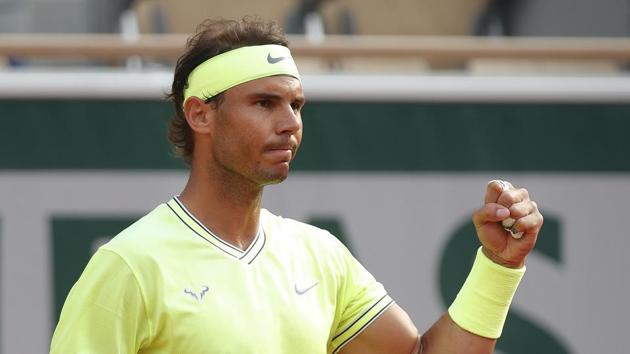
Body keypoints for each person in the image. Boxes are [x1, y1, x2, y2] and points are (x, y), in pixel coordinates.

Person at [50, 18, 543, 354]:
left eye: (297, 105)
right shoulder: (129, 266)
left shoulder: (319, 255)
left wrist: (499, 267)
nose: (290, 123)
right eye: (264, 102)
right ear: (199, 113)